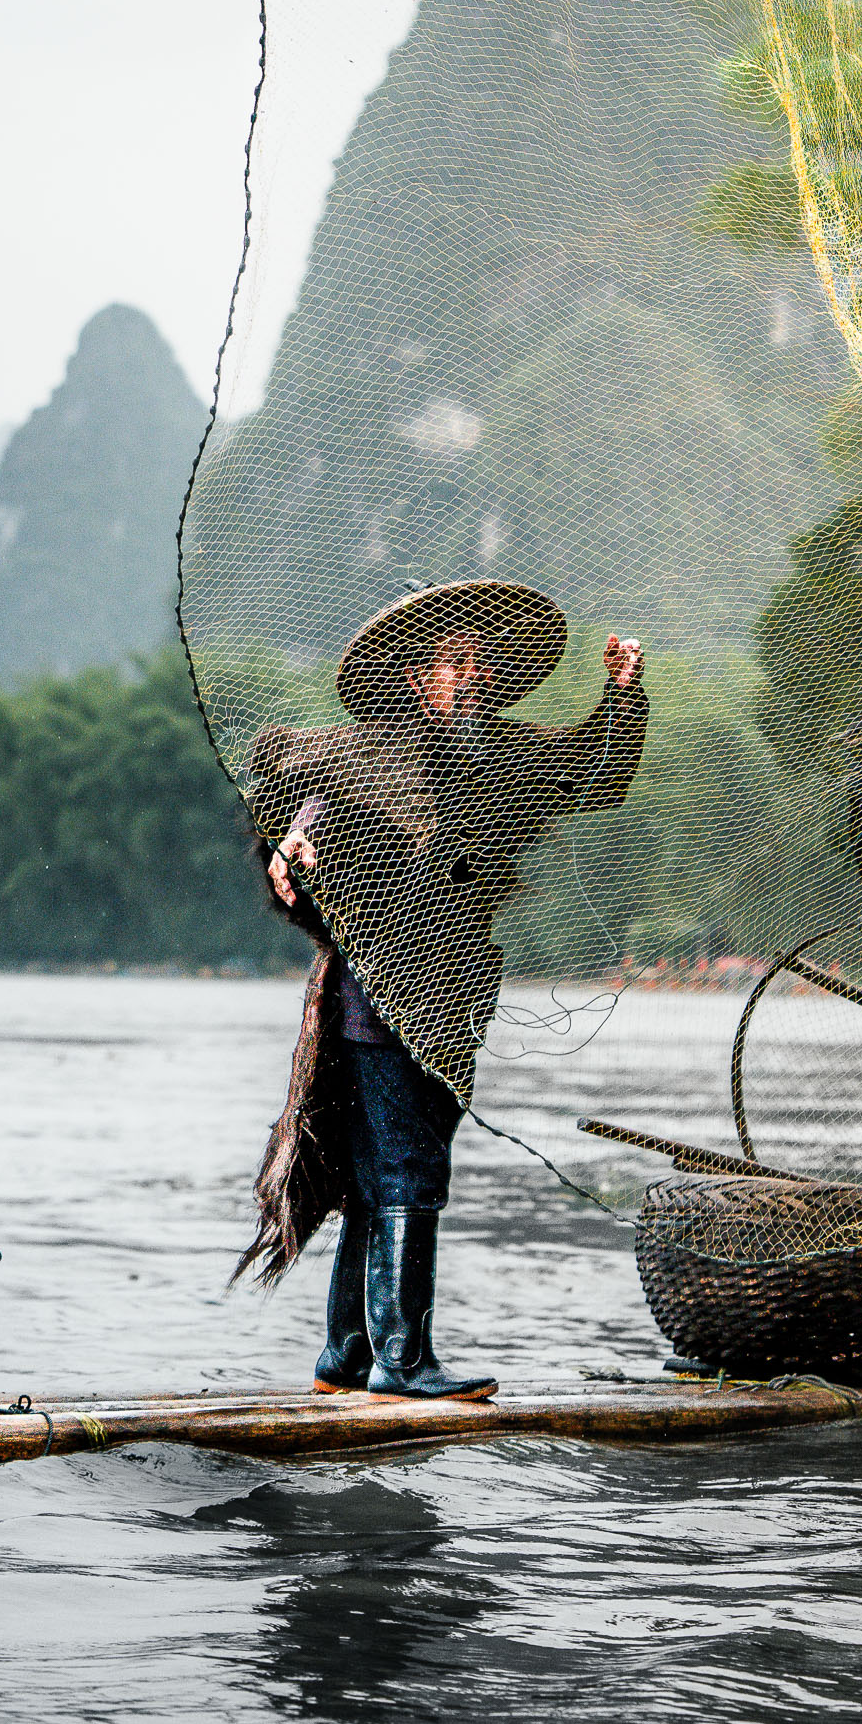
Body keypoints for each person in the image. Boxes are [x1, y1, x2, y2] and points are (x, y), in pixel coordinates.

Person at [234, 579, 646, 1400]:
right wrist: (291, 847)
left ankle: (345, 1355)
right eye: (455, 662)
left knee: (375, 1180)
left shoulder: (498, 756)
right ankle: (403, 1361)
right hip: (378, 1005)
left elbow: (592, 771)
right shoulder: (364, 752)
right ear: (416, 677)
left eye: (480, 660)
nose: (474, 674)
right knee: (409, 1174)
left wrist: (623, 696)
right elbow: (301, 806)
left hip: (451, 999)